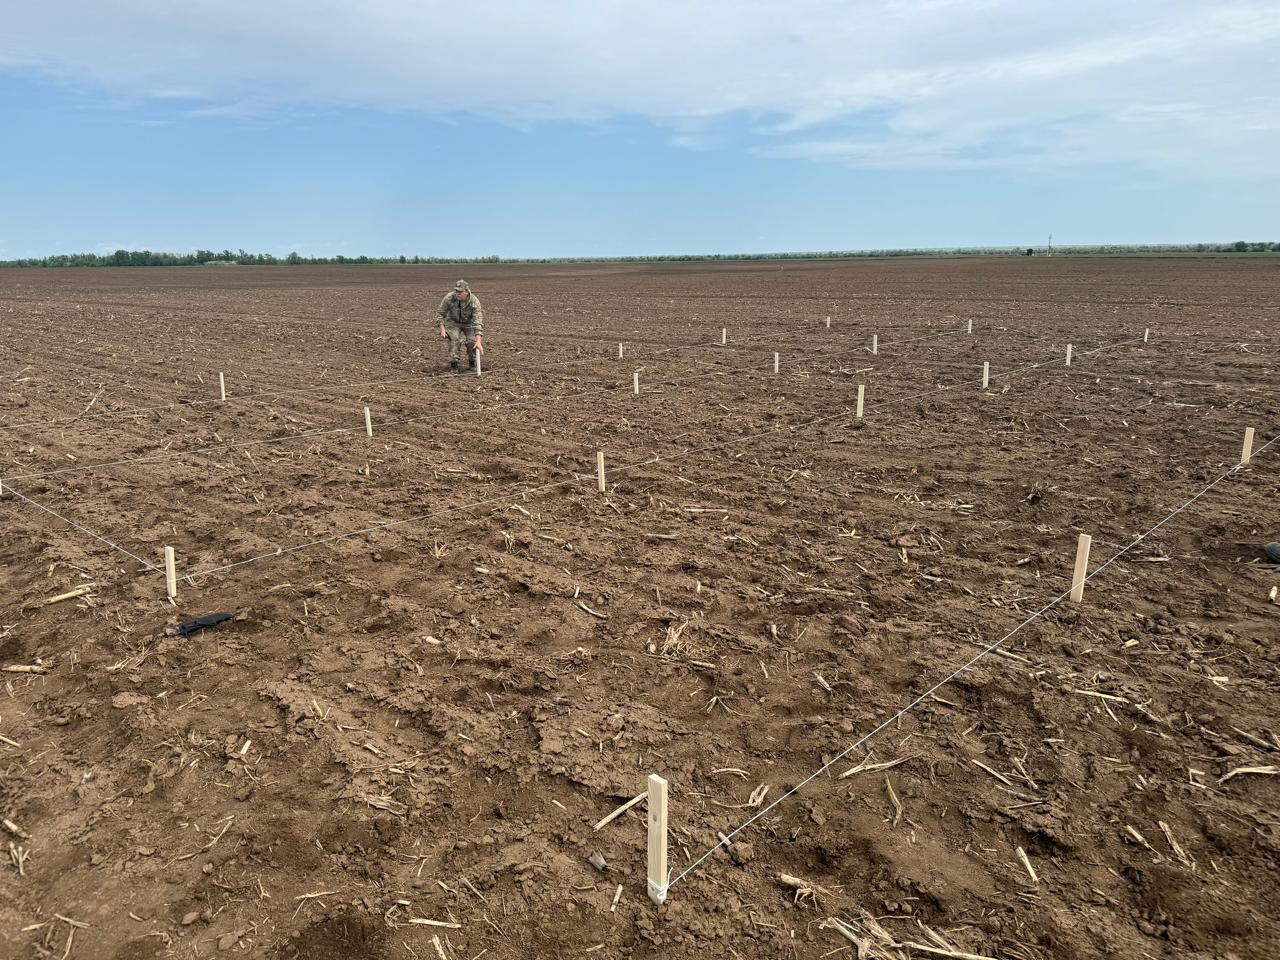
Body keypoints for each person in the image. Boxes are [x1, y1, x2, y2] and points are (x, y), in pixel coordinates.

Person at [437, 280, 484, 373]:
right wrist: (442, 328)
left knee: (472, 341)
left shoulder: (474, 302)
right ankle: (454, 365)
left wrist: (478, 341)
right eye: (456, 291)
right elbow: (440, 313)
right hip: (453, 322)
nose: (457, 294)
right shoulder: (449, 298)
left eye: (460, 292)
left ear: (467, 291)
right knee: (454, 339)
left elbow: (477, 322)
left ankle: (472, 362)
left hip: (469, 323)